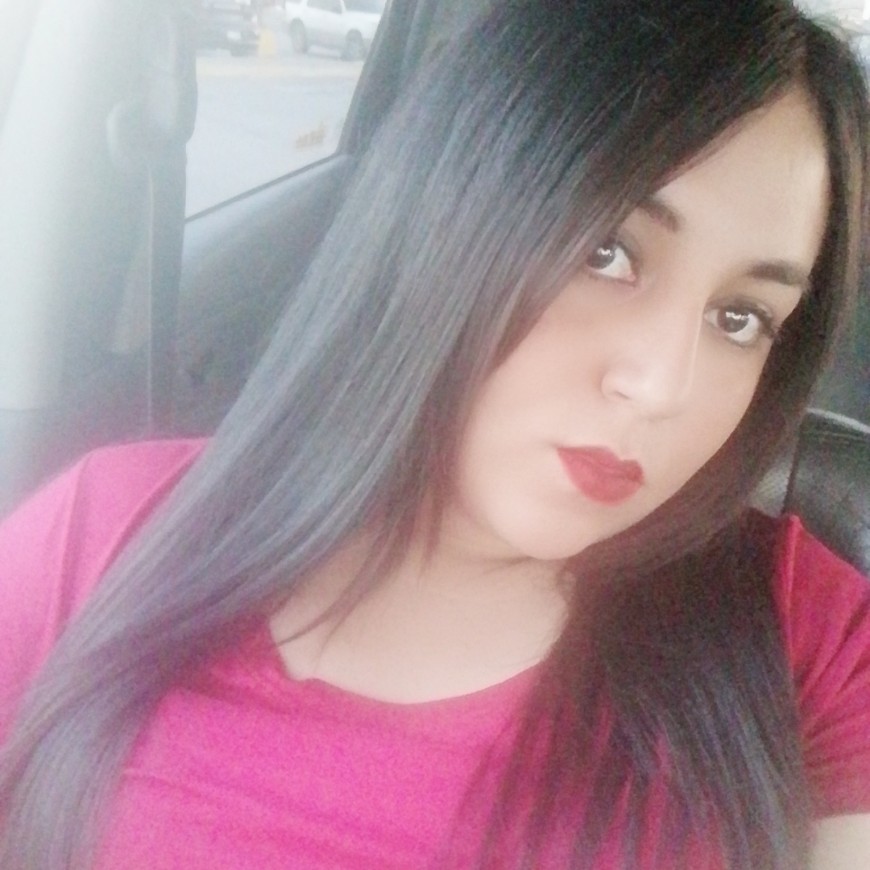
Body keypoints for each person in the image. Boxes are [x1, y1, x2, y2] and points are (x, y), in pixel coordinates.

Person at [1, 0, 869, 867]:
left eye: (741, 317)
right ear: (446, 213)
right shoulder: (105, 532)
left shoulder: (804, 634)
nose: (662, 387)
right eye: (606, 252)